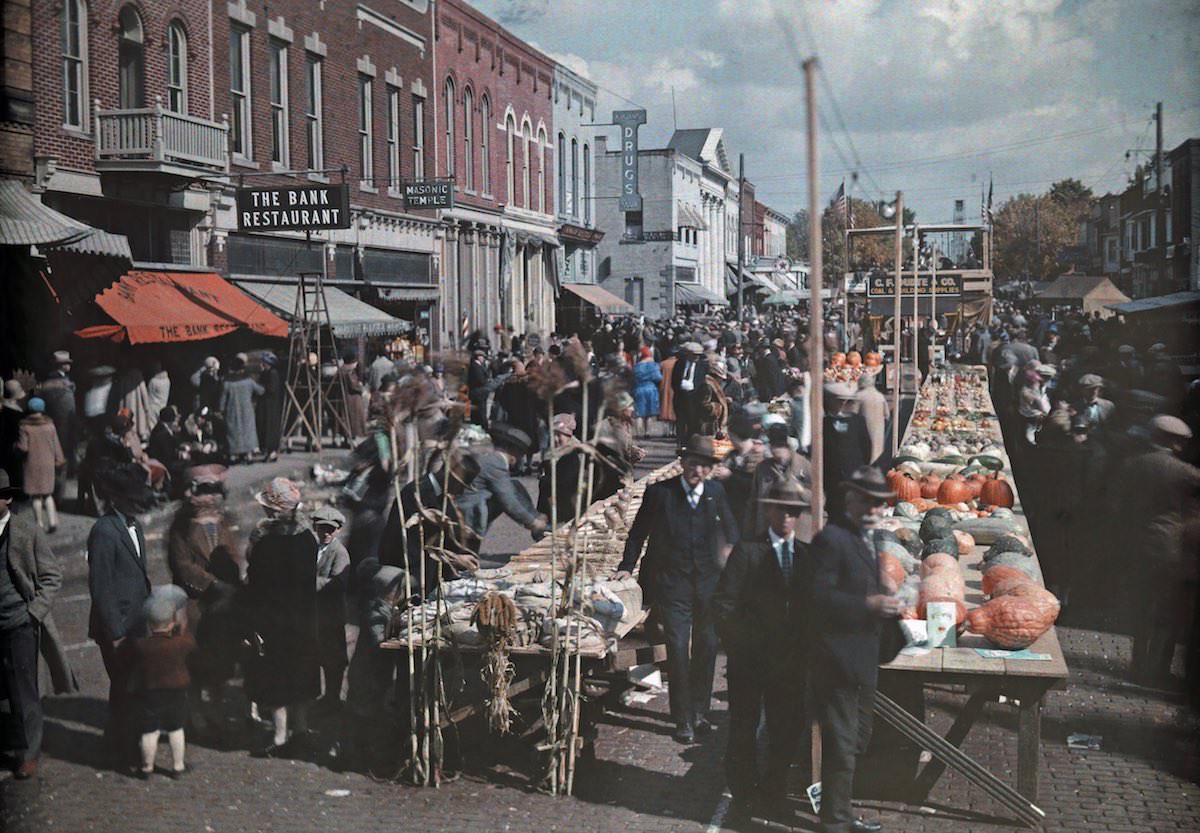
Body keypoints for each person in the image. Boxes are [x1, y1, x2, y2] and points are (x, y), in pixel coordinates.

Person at [614, 435, 739, 743]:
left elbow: (731, 532)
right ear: (682, 464)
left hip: (708, 585)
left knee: (708, 647)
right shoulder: (660, 494)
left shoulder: (715, 492)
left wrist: (731, 559)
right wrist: (626, 567)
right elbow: (637, 534)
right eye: (694, 464)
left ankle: (700, 712)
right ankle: (682, 719)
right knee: (678, 649)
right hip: (673, 583)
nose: (699, 471)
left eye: (705, 466)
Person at [714, 478, 813, 824]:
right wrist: (740, 646)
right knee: (743, 729)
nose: (786, 517)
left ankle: (773, 790)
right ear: (768, 510)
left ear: (799, 516)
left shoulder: (806, 556)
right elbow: (724, 604)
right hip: (750, 662)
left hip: (788, 665)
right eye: (780, 510)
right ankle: (743, 796)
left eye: (793, 512)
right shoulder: (748, 551)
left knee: (787, 729)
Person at [809, 467, 899, 833]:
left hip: (862, 657)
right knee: (843, 745)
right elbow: (817, 597)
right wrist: (870, 604)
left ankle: (840, 811)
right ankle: (836, 822)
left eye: (880, 504)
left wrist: (888, 598)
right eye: (867, 501)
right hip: (836, 659)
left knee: (858, 739)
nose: (874, 509)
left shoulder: (867, 540)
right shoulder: (832, 539)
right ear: (849, 500)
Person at [0, 468, 75, 780]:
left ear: (5, 499)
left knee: (23, 691)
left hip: (19, 623)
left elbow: (51, 576)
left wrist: (34, 613)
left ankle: (28, 752)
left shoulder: (25, 531)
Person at [1115, 415, 1200, 688]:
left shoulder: (1132, 465)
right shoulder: (1184, 472)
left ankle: (1137, 665)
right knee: (1169, 612)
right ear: (1174, 443)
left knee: (1143, 609)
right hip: (1171, 547)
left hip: (1138, 543)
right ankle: (1158, 670)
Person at [87, 462, 157, 767]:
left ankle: (115, 745)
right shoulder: (104, 531)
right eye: (134, 498)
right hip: (116, 628)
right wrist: (115, 632)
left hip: (137, 623)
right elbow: (101, 586)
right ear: (117, 499)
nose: (140, 503)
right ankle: (123, 749)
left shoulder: (135, 526)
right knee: (126, 689)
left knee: (128, 689)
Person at [165, 465, 244, 736]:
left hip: (222, 609)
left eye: (213, 492)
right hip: (196, 605)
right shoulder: (181, 528)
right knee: (196, 662)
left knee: (220, 662)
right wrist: (213, 583)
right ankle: (196, 709)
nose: (209, 498)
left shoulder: (221, 523)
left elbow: (233, 554)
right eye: (203, 492)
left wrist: (232, 579)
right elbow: (182, 565)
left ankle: (217, 708)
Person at [244, 478, 320, 756]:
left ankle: (278, 736)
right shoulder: (307, 539)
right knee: (300, 677)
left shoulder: (266, 545)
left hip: (275, 623)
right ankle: (300, 730)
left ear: (274, 511)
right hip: (303, 620)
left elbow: (256, 587)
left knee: (277, 679)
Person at [127, 586, 196, 779]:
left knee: (150, 731)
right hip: (176, 691)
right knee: (176, 729)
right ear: (172, 621)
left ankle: (146, 767)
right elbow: (192, 646)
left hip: (151, 692)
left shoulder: (142, 646)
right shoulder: (182, 643)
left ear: (150, 622)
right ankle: (177, 766)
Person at [457, 424, 548, 542]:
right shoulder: (495, 462)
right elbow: (508, 500)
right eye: (519, 453)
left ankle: (534, 519)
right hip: (468, 513)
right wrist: (532, 522)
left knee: (514, 485)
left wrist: (534, 515)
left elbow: (512, 488)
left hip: (468, 506)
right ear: (512, 450)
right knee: (506, 494)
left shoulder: (490, 455)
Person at [312, 506, 351, 712]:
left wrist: (308, 582)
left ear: (338, 530)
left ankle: (333, 698)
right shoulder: (313, 549)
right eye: (322, 529)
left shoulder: (339, 552)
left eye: (330, 529)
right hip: (317, 614)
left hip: (332, 614)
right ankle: (325, 696)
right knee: (320, 655)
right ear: (315, 528)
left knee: (334, 658)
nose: (326, 533)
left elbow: (338, 583)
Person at [745, 424, 812, 540]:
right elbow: (753, 504)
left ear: (790, 446)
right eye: (774, 445)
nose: (778, 450)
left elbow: (820, 501)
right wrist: (749, 535)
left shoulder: (805, 466)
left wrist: (801, 490)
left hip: (798, 535)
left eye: (782, 445)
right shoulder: (762, 468)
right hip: (767, 534)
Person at [823, 383, 873, 523]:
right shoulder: (824, 424)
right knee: (835, 512)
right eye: (837, 400)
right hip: (832, 480)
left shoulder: (857, 421)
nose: (841, 403)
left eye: (844, 400)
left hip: (854, 476)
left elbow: (866, 447)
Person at [15, 397, 65, 533]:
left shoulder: (25, 427)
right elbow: (56, 445)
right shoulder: (50, 426)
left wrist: (16, 447)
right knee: (48, 494)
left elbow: (24, 448)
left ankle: (39, 524)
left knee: (36, 496)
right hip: (48, 464)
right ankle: (53, 521)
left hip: (32, 464)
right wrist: (59, 459)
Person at [39, 351, 78, 483]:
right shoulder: (56, 382)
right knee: (62, 447)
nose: (70, 366)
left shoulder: (58, 381)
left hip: (61, 420)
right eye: (67, 363)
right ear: (61, 366)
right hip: (62, 420)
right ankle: (61, 476)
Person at [219, 355, 264, 464]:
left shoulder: (227, 383)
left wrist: (221, 410)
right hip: (247, 410)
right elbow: (260, 391)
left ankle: (233, 455)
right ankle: (248, 455)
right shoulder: (248, 381)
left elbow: (222, 401)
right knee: (248, 431)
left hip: (232, 411)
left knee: (233, 433)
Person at [670, 343, 707, 443]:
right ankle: (680, 444)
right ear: (688, 354)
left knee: (693, 422)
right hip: (681, 396)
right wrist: (680, 390)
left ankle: (692, 444)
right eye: (694, 355)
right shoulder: (679, 364)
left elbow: (703, 383)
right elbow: (673, 381)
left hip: (695, 398)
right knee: (681, 422)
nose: (696, 357)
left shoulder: (702, 365)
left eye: (698, 355)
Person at [856, 369, 891, 466]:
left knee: (866, 450)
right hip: (879, 428)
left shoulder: (858, 396)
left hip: (864, 428)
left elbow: (853, 413)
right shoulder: (880, 396)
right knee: (877, 450)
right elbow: (887, 415)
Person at [257, 351, 284, 462]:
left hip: (271, 405)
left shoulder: (273, 373)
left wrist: (261, 389)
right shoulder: (265, 373)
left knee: (270, 428)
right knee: (264, 426)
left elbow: (271, 389)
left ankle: (272, 451)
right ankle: (268, 451)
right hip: (265, 404)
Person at [632, 346, 662, 437]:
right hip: (650, 388)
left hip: (639, 389)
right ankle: (647, 432)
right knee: (649, 412)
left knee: (639, 413)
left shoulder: (637, 366)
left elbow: (632, 378)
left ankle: (637, 433)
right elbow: (658, 378)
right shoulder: (654, 365)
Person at [338, 351, 367, 442]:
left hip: (344, 398)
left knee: (346, 419)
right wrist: (361, 388)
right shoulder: (349, 372)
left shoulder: (341, 370)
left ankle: (346, 439)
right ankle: (351, 439)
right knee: (353, 420)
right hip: (352, 400)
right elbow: (353, 385)